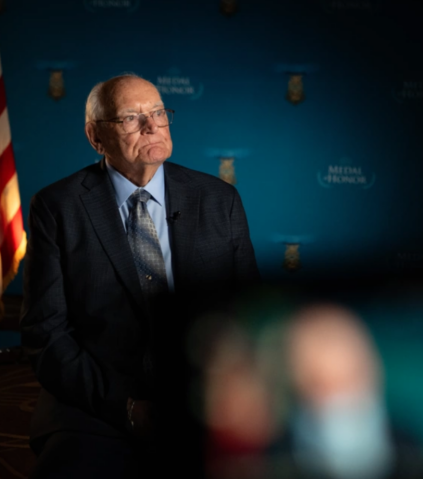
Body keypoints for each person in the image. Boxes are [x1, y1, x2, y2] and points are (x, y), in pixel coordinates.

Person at [20, 74, 259, 477]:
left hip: (203, 398)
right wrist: (126, 407)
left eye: (158, 113)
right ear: (96, 137)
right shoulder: (57, 207)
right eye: (131, 118)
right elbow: (46, 335)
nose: (152, 126)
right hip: (97, 402)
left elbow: (250, 313)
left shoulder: (220, 200)